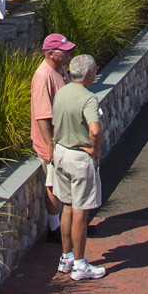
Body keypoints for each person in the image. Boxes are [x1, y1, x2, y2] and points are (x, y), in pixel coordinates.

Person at [49, 54, 107, 280]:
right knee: (81, 212)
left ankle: (66, 257)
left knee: (67, 206)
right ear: (89, 74)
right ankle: (80, 264)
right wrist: (96, 149)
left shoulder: (61, 92)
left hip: (61, 152)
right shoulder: (88, 98)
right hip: (79, 157)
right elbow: (94, 129)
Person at [30, 32, 74, 246]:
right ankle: (55, 227)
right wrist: (50, 146)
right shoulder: (43, 76)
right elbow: (42, 116)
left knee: (66, 183)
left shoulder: (59, 69)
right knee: (54, 184)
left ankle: (70, 224)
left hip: (65, 140)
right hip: (53, 143)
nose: (68, 55)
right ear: (50, 54)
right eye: (64, 52)